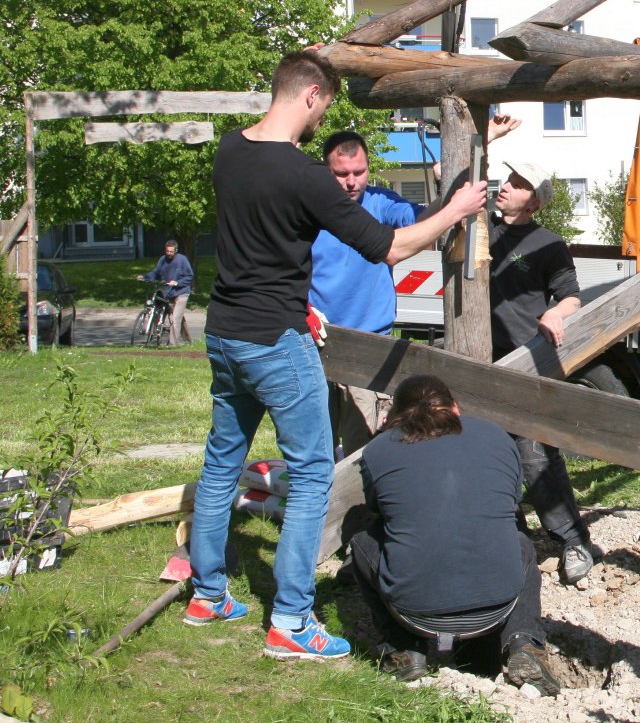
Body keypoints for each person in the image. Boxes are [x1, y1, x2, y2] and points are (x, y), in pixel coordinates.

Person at [184, 49, 487, 662]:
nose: (322, 118)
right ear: (312, 96)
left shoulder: (229, 149)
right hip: (275, 341)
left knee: (221, 464)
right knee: (312, 473)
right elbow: (390, 247)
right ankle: (292, 621)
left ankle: (207, 594)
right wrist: (455, 210)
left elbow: (258, 245)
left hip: (225, 332)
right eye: (324, 107)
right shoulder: (305, 176)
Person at [310, 115, 518, 456]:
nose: (351, 182)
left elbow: (425, 219)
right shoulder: (309, 211)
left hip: (368, 345)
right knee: (313, 448)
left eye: (359, 172)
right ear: (325, 171)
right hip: (316, 342)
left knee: (364, 450)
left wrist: (475, 155)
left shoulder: (380, 203)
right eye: (341, 174)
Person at [352, 374, 561, 692]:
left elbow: (377, 507)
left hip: (416, 612)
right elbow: (510, 498)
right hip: (498, 603)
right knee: (521, 543)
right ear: (456, 408)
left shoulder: (379, 449)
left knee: (362, 542)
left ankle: (402, 648)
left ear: (396, 418)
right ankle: (525, 642)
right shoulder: (494, 434)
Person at [489, 161, 595, 586]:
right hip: (477, 360)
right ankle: (508, 537)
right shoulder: (479, 228)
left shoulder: (547, 244)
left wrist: (555, 312)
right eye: (507, 179)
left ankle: (573, 540)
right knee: (485, 453)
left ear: (533, 202)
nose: (505, 186)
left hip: (524, 364)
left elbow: (571, 296)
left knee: (535, 456)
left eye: (518, 184)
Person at [137, 238, 194, 346]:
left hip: (181, 292)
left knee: (176, 318)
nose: (169, 253)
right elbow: (156, 273)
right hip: (169, 293)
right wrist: (145, 277)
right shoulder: (163, 260)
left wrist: (177, 282)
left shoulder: (182, 260)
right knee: (178, 318)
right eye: (167, 251)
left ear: (176, 251)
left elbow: (189, 276)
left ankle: (171, 344)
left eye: (171, 251)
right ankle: (189, 341)